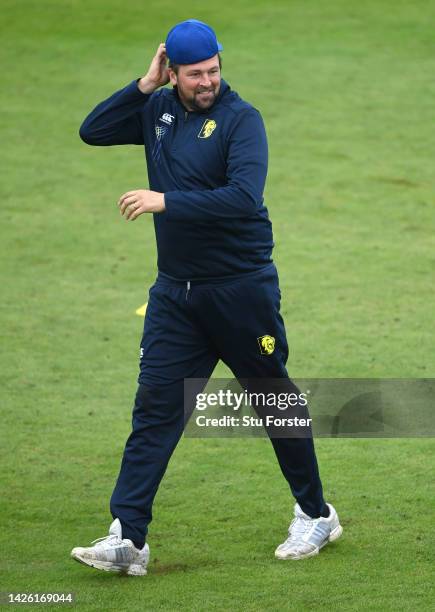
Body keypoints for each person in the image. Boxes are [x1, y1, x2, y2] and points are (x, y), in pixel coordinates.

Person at [71, 19, 342, 576]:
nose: (207, 82)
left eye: (213, 70)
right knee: (155, 408)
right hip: (175, 295)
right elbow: (92, 130)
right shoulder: (159, 110)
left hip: (241, 290)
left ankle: (316, 513)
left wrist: (165, 201)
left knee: (273, 399)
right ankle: (129, 538)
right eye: (194, 74)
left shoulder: (242, 121)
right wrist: (144, 87)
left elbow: (243, 197)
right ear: (173, 72)